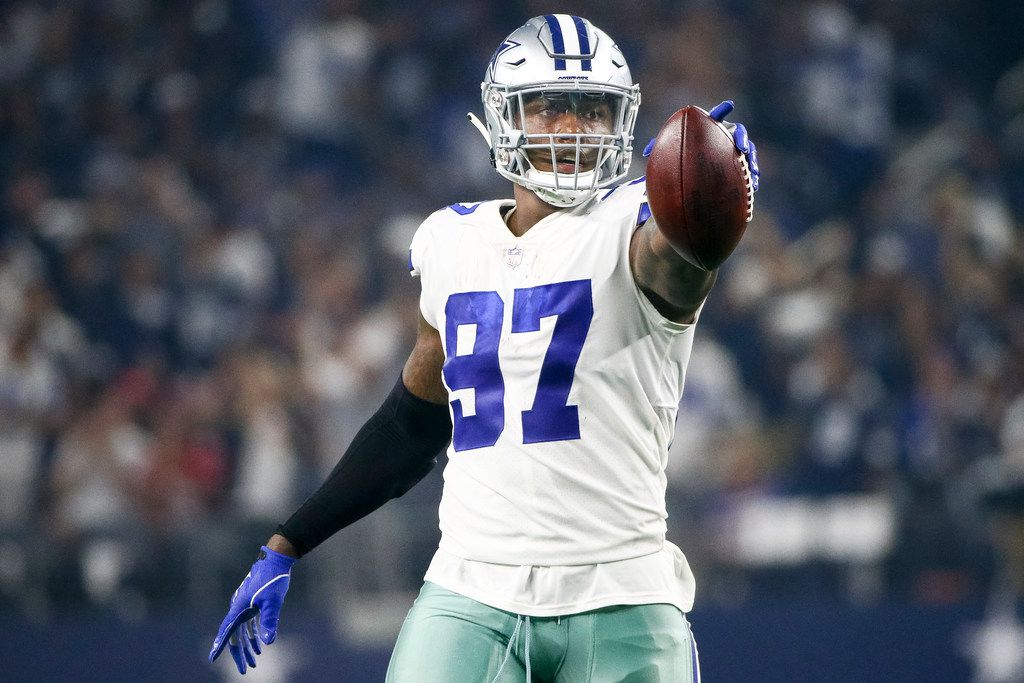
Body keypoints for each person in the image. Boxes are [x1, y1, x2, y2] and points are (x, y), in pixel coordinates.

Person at [209, 14, 759, 681]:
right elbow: (412, 422)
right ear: (503, 115)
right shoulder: (451, 241)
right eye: (551, 106)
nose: (572, 127)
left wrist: (708, 198)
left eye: (591, 110)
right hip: (472, 593)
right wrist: (287, 541)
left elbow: (679, 259)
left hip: (621, 593)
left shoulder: (637, 220)